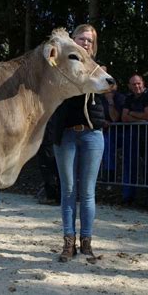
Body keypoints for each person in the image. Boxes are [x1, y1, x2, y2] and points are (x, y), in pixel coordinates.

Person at [52, 24, 105, 262]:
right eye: (81, 39)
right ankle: (67, 243)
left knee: (87, 192)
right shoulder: (59, 67)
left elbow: (109, 86)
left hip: (92, 133)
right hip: (65, 134)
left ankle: (86, 243)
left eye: (89, 41)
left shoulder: (98, 69)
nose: (85, 43)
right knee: (68, 190)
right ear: (72, 40)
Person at [120, 74, 148, 206]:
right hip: (133, 135)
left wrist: (131, 113)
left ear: (143, 83)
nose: (136, 86)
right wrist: (139, 118)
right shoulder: (129, 97)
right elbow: (123, 117)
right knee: (129, 165)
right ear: (129, 86)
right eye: (133, 84)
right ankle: (128, 197)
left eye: (138, 83)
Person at [101, 86, 126, 182]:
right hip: (104, 132)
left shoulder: (120, 98)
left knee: (107, 142)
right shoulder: (98, 98)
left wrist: (110, 102)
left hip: (120, 133)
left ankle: (110, 171)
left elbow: (115, 118)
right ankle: (107, 171)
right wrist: (102, 121)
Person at [36, 120, 60, 205]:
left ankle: (52, 196)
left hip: (47, 142)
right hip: (52, 140)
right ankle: (54, 195)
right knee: (53, 169)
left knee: (47, 169)